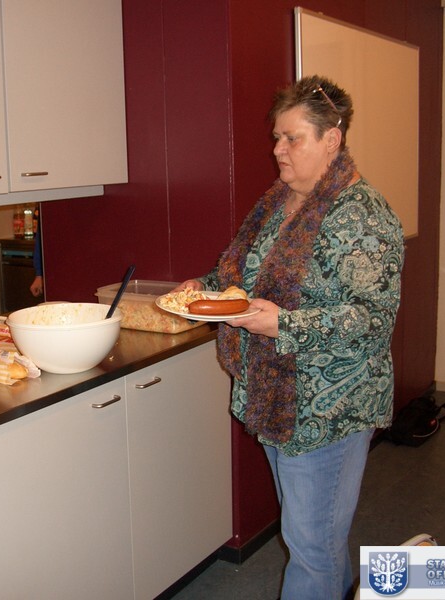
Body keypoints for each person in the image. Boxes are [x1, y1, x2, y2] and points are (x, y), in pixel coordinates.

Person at [176, 75, 404, 600]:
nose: (277, 149)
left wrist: (285, 324)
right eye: (276, 137)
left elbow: (373, 320)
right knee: (316, 541)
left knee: (310, 547)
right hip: (277, 397)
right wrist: (202, 290)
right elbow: (243, 277)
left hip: (328, 409)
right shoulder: (280, 204)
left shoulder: (361, 214)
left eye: (292, 138)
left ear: (332, 139)